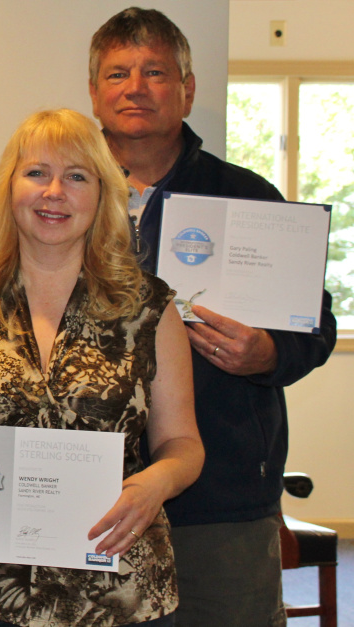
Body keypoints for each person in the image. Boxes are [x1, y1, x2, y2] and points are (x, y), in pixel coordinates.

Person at [0, 109, 205, 626]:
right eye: (36, 172)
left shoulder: (150, 309)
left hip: (115, 592)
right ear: (9, 187)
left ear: (103, 194)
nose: (54, 191)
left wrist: (156, 485)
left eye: (76, 176)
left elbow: (184, 445)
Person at [88, 8, 337, 626]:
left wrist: (268, 354)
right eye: (118, 73)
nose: (136, 87)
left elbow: (316, 324)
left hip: (222, 503)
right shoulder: (63, 198)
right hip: (86, 492)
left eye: (156, 72)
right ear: (94, 92)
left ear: (188, 89)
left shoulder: (247, 196)